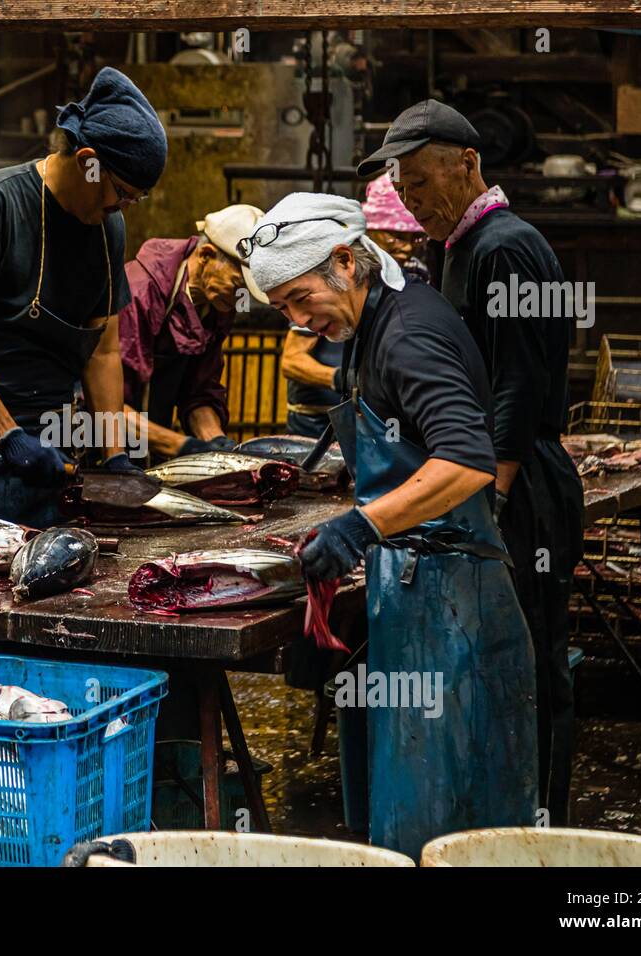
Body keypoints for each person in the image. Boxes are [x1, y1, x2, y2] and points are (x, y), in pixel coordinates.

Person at [247, 192, 538, 860]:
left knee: (444, 823)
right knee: (413, 816)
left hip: (450, 596)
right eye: (283, 308)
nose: (298, 320)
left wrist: (360, 526)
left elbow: (468, 462)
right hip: (413, 585)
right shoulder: (374, 318)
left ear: (345, 262)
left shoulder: (407, 332)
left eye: (298, 299)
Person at [361, 98, 584, 825]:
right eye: (404, 188)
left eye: (423, 182)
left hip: (521, 479)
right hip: (487, 474)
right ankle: (495, 815)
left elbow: (517, 382)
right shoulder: (456, 246)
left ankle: (542, 823)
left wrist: (495, 493)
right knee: (492, 661)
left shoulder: (504, 246)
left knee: (535, 660)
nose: (413, 200)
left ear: (470, 164)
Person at [0, 67, 167, 525]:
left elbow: (104, 350)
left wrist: (114, 455)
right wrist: (8, 436)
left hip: (58, 438)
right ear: (87, 161)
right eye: (124, 193)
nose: (125, 207)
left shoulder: (107, 228)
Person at [280, 176, 427, 437]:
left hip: (373, 419)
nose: (405, 248)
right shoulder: (337, 276)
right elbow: (292, 362)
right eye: (395, 236)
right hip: (316, 420)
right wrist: (345, 380)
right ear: (370, 231)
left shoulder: (414, 274)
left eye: (412, 238)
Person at [118, 204, 267, 461]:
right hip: (106, 446)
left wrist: (217, 443)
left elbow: (198, 391)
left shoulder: (216, 306)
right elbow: (106, 404)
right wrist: (182, 446)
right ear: (206, 255)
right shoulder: (139, 292)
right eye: (237, 285)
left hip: (153, 446)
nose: (240, 299)